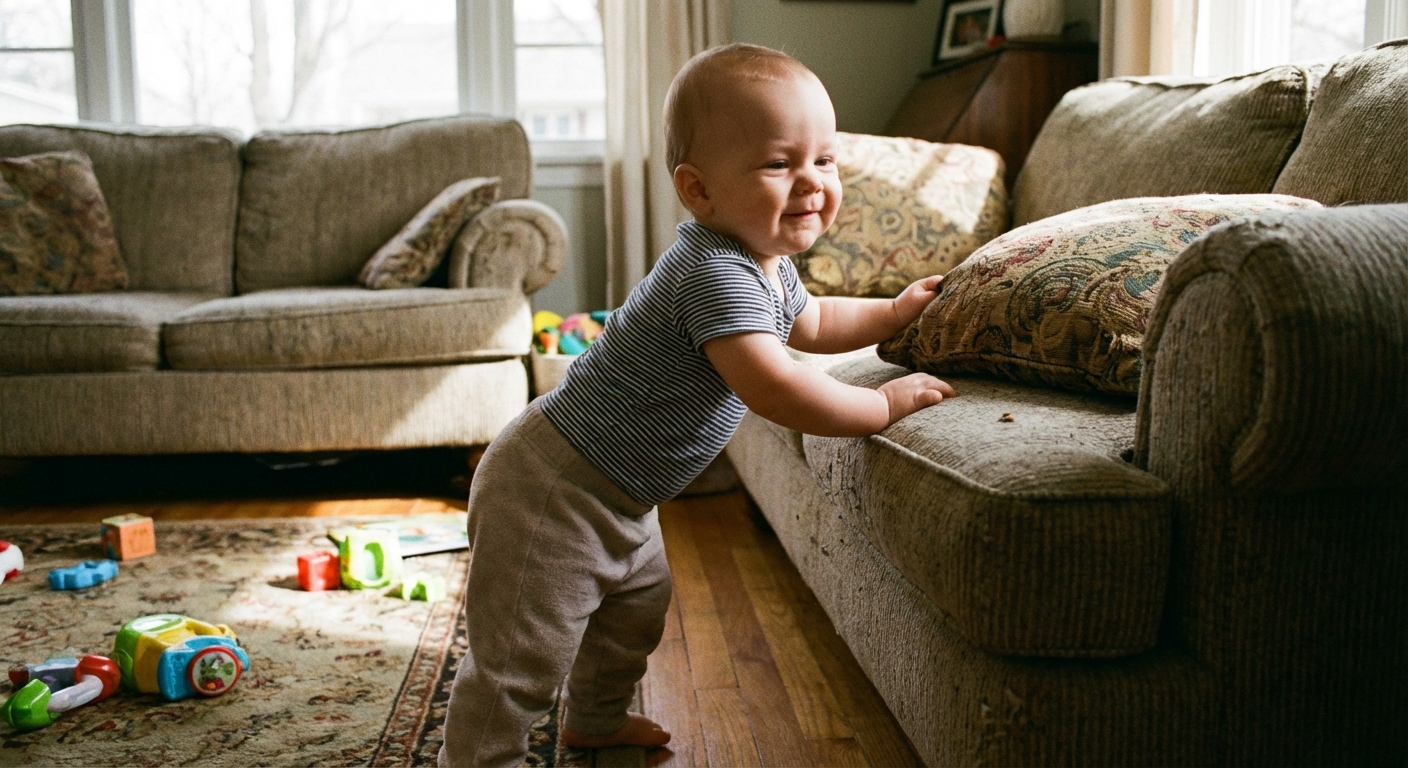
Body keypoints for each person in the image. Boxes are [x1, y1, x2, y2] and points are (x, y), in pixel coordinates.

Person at [438, 42, 955, 767]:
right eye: (779, 164)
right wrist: (882, 407)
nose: (811, 182)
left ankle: (594, 718)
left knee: (635, 615)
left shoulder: (764, 264)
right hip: (554, 487)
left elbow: (813, 323)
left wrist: (893, 312)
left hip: (624, 492)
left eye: (825, 160)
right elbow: (773, 385)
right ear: (700, 189)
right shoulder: (713, 273)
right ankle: (477, 759)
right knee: (524, 651)